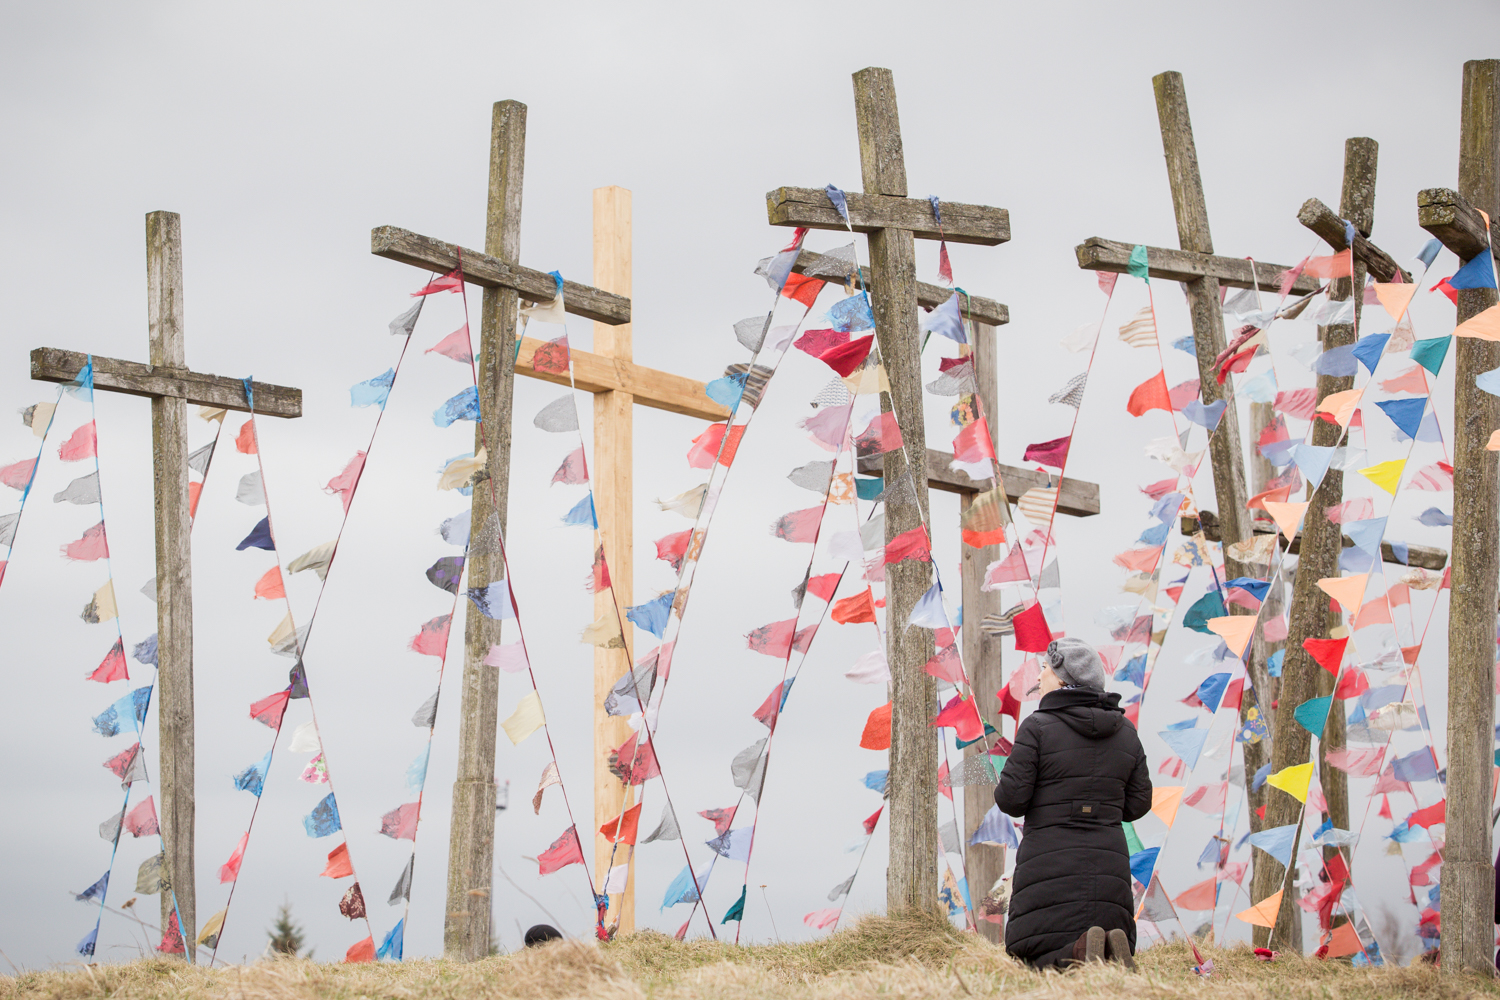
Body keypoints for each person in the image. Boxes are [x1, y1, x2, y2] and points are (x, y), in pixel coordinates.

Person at [994, 637, 1151, 970]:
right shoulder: (1126, 732)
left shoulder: (1036, 727)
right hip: (1109, 867)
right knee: (1105, 925)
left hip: (1048, 865)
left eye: (1046, 669)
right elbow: (1138, 804)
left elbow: (1011, 800)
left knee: (1038, 953)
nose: (1039, 677)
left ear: (1063, 679)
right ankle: (1110, 952)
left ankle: (1079, 953)